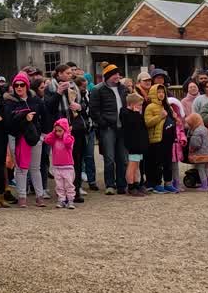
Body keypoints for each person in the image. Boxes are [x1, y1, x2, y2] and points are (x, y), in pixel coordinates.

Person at [43, 63, 87, 203]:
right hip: (60, 129)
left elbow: (85, 105)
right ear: (59, 74)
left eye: (71, 73)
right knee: (63, 161)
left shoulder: (74, 86)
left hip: (75, 127)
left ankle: (75, 191)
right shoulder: (50, 87)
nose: (70, 75)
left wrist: (80, 107)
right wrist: (58, 93)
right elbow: (49, 107)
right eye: (67, 73)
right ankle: (63, 193)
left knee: (77, 160)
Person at [4, 72, 46, 208]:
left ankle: (40, 196)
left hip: (34, 137)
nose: (19, 87)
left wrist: (42, 134)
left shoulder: (36, 100)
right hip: (16, 137)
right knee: (21, 168)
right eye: (16, 85)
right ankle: (22, 196)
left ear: (27, 86)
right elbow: (8, 122)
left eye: (22, 84)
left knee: (35, 168)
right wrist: (24, 117)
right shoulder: (9, 101)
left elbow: (45, 116)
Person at [90, 63, 128, 196]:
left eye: (118, 74)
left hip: (122, 127)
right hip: (107, 128)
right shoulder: (97, 89)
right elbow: (94, 110)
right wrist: (103, 123)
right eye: (114, 74)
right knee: (109, 158)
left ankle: (122, 184)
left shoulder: (123, 88)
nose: (118, 76)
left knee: (123, 158)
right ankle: (110, 185)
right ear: (107, 76)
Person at [120, 93, 150, 197]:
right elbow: (132, 125)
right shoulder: (126, 113)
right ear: (133, 104)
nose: (141, 107)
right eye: (140, 104)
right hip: (133, 144)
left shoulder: (136, 114)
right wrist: (136, 114)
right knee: (132, 165)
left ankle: (137, 184)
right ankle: (131, 186)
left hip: (139, 144)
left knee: (137, 165)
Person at [45, 118, 77, 209]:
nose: (58, 133)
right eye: (56, 131)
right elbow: (47, 140)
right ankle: (61, 199)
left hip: (68, 166)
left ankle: (70, 200)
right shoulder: (54, 139)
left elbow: (67, 143)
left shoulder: (70, 138)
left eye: (60, 131)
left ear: (65, 130)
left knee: (69, 185)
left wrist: (66, 133)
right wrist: (53, 132)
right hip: (57, 167)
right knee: (59, 185)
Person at [186, 112, 208, 190]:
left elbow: (195, 144)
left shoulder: (197, 131)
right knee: (207, 169)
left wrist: (191, 149)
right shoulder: (205, 129)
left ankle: (204, 186)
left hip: (200, 155)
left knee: (201, 170)